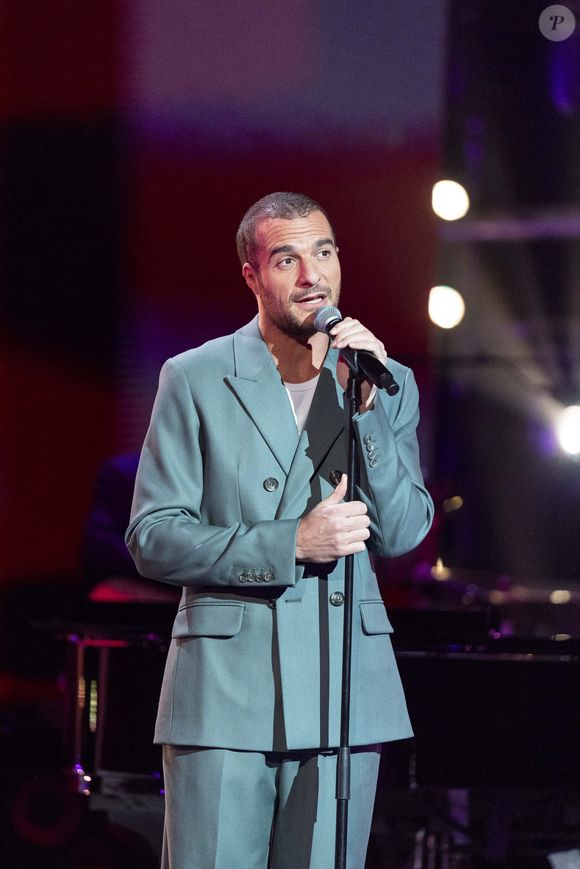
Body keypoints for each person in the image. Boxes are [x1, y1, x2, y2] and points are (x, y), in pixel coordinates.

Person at [125, 192, 434, 869]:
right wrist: (289, 543)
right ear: (251, 274)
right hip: (225, 694)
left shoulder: (385, 380)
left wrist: (369, 411)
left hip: (342, 692)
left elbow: (404, 529)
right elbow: (153, 534)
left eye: (323, 252)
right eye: (287, 258)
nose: (311, 276)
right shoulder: (196, 377)